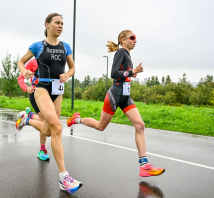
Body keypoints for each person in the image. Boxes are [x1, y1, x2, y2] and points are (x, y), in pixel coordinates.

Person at [67, 30, 165, 177]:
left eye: (135, 38)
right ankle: (77, 119)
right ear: (123, 40)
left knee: (140, 125)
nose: (135, 40)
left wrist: (131, 72)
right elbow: (113, 73)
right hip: (115, 94)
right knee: (101, 126)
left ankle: (144, 166)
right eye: (132, 37)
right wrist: (132, 72)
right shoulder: (120, 52)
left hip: (125, 96)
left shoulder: (128, 55)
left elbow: (123, 72)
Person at [16, 13, 82, 193]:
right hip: (42, 89)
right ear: (47, 25)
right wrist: (25, 72)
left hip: (58, 91)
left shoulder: (65, 46)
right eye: (57, 23)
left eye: (62, 23)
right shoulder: (38, 46)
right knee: (57, 127)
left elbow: (73, 67)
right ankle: (64, 177)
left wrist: (67, 75)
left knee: (48, 129)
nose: (60, 26)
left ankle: (27, 120)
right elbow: (21, 62)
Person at [16, 58, 49, 161]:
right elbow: (20, 78)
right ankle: (42, 150)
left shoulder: (54, 60)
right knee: (45, 123)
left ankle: (29, 116)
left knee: (48, 123)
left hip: (49, 95)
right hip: (36, 94)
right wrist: (27, 88)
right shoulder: (34, 62)